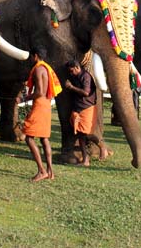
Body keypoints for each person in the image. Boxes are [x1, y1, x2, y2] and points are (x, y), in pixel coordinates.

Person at [22, 46, 62, 182]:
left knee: (29, 138)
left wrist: (24, 98)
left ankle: (41, 170)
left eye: (32, 56)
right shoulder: (46, 68)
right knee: (44, 138)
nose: (31, 59)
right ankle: (50, 170)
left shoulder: (38, 69)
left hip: (39, 104)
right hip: (46, 104)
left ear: (35, 56)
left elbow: (39, 92)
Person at [64, 60, 101, 166]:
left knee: (86, 134)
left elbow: (86, 92)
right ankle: (86, 160)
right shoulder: (75, 76)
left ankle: (101, 147)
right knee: (81, 135)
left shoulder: (86, 76)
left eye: (71, 71)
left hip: (87, 108)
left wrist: (71, 87)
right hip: (79, 109)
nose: (70, 73)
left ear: (77, 67)